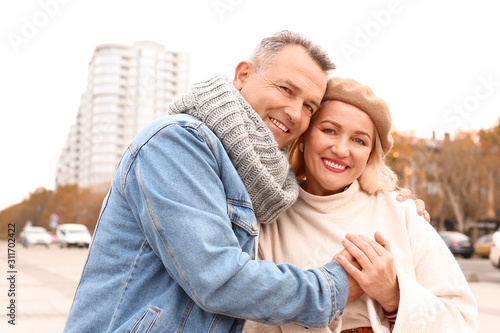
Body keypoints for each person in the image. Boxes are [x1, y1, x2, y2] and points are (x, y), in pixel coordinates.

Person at [64, 31, 423, 332]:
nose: (296, 113)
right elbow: (219, 280)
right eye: (286, 89)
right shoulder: (178, 143)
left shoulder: (264, 185)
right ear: (242, 75)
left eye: (310, 106)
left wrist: (389, 207)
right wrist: (338, 284)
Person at [243, 77, 477, 333]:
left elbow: (462, 322)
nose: (341, 149)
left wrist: (393, 294)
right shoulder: (269, 216)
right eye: (329, 130)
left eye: (359, 140)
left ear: (370, 155)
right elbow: (250, 321)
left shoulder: (403, 213)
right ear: (304, 136)